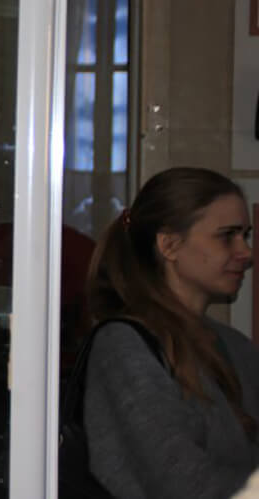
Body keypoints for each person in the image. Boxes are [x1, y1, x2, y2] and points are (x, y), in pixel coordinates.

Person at [84, 167, 259, 499]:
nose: (246, 253)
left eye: (245, 235)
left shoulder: (235, 346)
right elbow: (179, 481)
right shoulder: (124, 346)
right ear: (169, 245)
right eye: (227, 236)